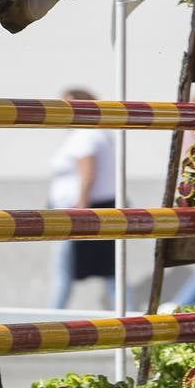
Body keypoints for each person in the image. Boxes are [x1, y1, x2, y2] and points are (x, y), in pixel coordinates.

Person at [48, 88, 118, 309]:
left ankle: (50, 316)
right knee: (109, 271)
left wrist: (80, 212)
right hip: (91, 207)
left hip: (77, 210)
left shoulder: (85, 135)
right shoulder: (97, 132)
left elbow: (88, 175)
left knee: (64, 271)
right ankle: (130, 316)